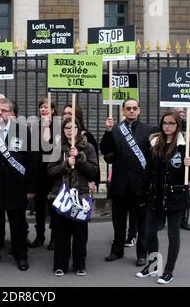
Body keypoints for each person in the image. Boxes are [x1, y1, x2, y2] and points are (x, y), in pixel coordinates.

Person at [136, 110, 190, 284]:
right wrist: (142, 192)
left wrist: (189, 165)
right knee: (149, 232)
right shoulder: (155, 143)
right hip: (155, 195)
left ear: (178, 125)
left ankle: (169, 270)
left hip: (175, 196)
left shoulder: (185, 146)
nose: (167, 126)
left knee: (172, 234)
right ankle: (153, 265)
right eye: (165, 123)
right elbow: (148, 171)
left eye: (171, 123)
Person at [0, 98, 38, 271]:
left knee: (18, 224)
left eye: (4, 110)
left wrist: (31, 187)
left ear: (12, 113)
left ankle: (20, 255)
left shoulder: (23, 130)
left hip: (17, 185)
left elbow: (32, 160)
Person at [100, 98, 156, 266]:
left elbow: (155, 153)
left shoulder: (149, 130)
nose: (131, 111)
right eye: (128, 108)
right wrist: (108, 131)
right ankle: (117, 250)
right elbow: (105, 150)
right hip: (120, 183)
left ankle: (141, 254)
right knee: (118, 220)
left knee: (141, 222)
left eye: (134, 108)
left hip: (141, 184)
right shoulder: (115, 129)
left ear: (139, 110)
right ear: (123, 111)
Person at [48, 118, 98, 276]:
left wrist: (80, 158)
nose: (70, 130)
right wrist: (64, 164)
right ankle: (60, 264)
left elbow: (94, 171)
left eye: (73, 127)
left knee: (80, 233)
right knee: (61, 233)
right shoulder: (57, 148)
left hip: (81, 196)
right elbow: (50, 171)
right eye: (67, 127)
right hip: (61, 196)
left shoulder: (88, 147)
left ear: (78, 129)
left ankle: (79, 264)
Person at [159, 107, 190, 231]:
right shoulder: (161, 136)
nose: (182, 114)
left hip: (181, 171)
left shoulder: (186, 127)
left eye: (183, 112)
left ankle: (183, 220)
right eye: (179, 112)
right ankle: (161, 220)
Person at [29, 98, 59, 250]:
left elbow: (54, 147)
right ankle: (39, 235)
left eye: (46, 107)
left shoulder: (58, 126)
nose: (43, 109)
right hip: (39, 172)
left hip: (53, 173)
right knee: (39, 207)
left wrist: (48, 128)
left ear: (53, 110)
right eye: (41, 107)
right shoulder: (34, 126)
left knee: (53, 207)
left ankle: (54, 238)